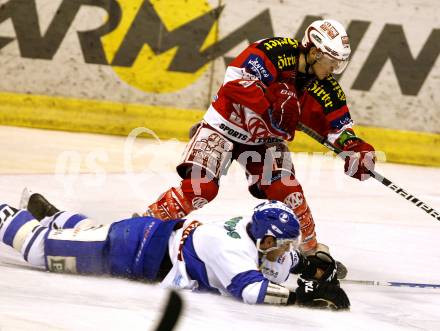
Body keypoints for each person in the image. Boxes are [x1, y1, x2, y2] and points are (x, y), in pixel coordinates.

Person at [143, 19, 376, 265]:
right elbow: (234, 81)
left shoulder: (325, 87)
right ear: (315, 52)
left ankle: (310, 253)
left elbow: (339, 128)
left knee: (288, 191)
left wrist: (355, 149)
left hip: (263, 141)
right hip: (224, 126)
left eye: (340, 64)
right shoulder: (274, 51)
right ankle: (145, 225)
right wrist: (268, 106)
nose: (335, 69)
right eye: (333, 62)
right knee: (201, 189)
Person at [0, 192, 350, 310]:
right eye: (285, 245)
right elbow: (251, 290)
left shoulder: (254, 228)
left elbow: (282, 264)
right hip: (130, 250)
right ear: (268, 241)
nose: (287, 251)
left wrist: (311, 269)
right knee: (39, 251)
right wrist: (303, 297)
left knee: (91, 232)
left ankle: (55, 215)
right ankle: (13, 217)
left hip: (151, 240)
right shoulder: (230, 248)